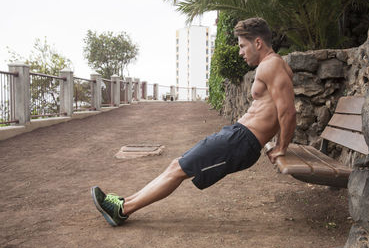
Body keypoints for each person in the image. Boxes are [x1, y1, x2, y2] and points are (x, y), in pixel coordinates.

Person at [91, 17, 297, 226]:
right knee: (176, 166)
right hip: (237, 136)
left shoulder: (271, 65)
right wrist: (280, 143)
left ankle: (122, 210)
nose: (240, 52)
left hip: (241, 142)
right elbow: (281, 109)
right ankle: (125, 203)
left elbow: (288, 111)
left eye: (243, 46)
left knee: (179, 170)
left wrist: (282, 146)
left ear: (258, 43)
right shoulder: (273, 65)